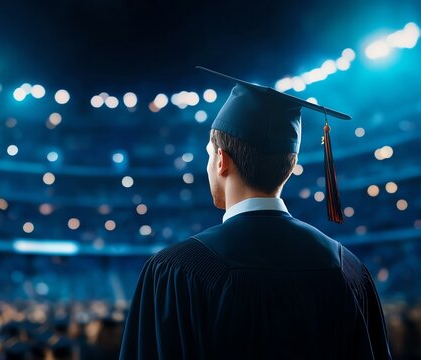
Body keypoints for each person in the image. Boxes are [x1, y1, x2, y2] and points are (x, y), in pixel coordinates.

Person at [119, 68, 392, 359]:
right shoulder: (348, 270)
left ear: (221, 160)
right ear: (291, 164)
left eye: (209, 154)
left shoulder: (176, 271)